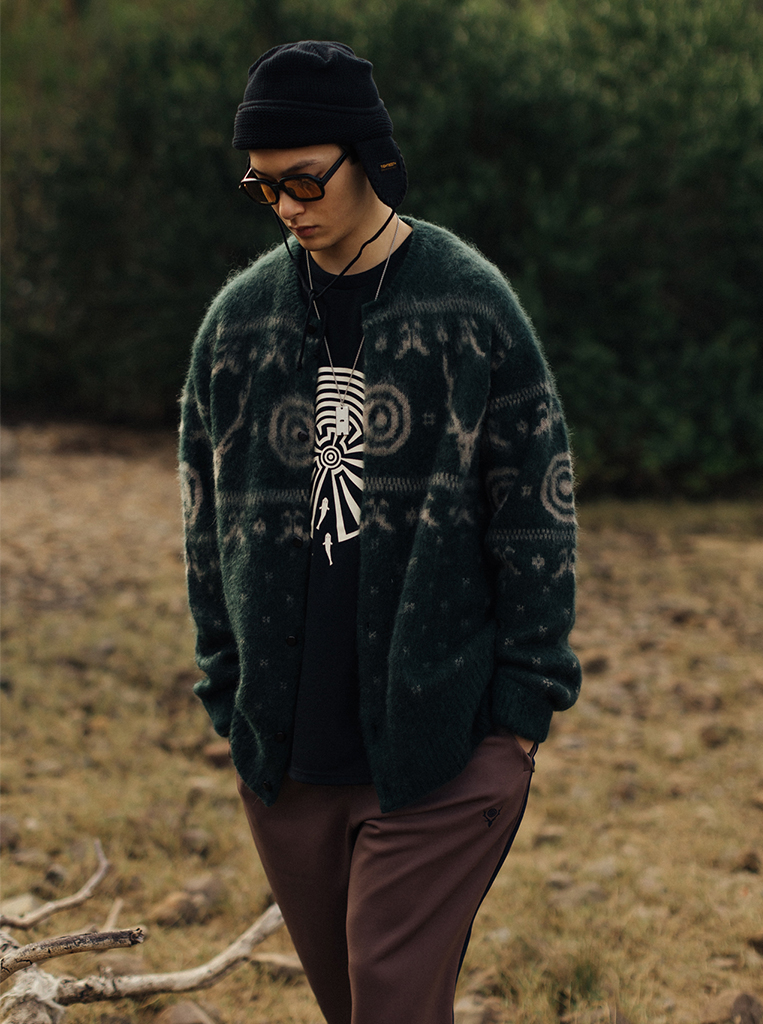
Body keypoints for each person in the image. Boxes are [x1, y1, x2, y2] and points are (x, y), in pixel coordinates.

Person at [179, 40, 581, 1024]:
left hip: (442, 755)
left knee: (391, 1005)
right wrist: (229, 691)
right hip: (288, 763)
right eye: (264, 186)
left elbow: (538, 514)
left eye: (305, 180)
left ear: (370, 156)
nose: (287, 207)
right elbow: (202, 516)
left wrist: (519, 715)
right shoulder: (237, 324)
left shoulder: (469, 305)